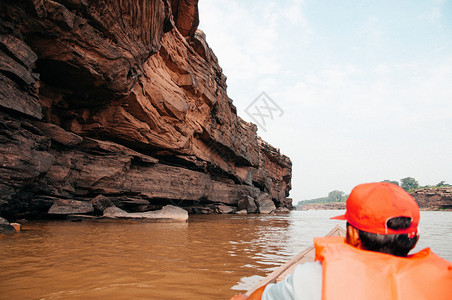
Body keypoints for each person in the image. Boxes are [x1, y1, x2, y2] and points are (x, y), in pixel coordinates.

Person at [231, 182, 452, 300]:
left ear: (354, 235)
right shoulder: (446, 282)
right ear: (414, 239)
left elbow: (257, 298)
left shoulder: (312, 279)